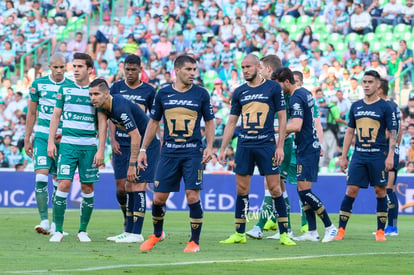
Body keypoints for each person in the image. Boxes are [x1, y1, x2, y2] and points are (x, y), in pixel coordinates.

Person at [137, 55, 215, 253]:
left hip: (192, 153)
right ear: (177, 70)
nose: (192, 73)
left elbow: (209, 122)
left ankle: (194, 241)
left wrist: (209, 146)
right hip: (168, 154)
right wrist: (143, 149)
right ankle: (157, 234)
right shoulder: (163, 94)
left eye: (194, 70)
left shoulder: (201, 94)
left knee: (192, 195)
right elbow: (153, 123)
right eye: (188, 69)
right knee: (158, 199)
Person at [218, 54, 296, 246]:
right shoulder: (239, 92)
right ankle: (239, 233)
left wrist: (280, 145)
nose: (245, 70)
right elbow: (232, 122)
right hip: (245, 144)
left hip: (266, 144)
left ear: (258, 66)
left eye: (248, 67)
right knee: (241, 190)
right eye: (242, 67)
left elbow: (283, 117)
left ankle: (285, 233)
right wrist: (222, 148)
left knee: (275, 189)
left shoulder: (273, 88)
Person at [89, 78, 160, 243]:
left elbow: (136, 135)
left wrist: (132, 165)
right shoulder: (102, 107)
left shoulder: (120, 107)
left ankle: (137, 233)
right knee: (128, 185)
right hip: (138, 144)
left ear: (107, 94)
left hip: (148, 145)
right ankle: (128, 232)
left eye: (96, 94)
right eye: (91, 94)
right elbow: (102, 128)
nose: (93, 98)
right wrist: (100, 151)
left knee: (138, 184)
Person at [47, 53, 107, 242]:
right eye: (74, 66)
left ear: (90, 69)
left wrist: (100, 149)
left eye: (80, 66)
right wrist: (50, 141)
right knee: (63, 183)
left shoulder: (96, 90)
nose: (75, 70)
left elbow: (102, 122)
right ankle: (58, 230)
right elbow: (56, 116)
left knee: (87, 187)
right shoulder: (65, 88)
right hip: (67, 145)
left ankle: (82, 231)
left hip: (89, 146)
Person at [273, 67, 337, 243]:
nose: (279, 89)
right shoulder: (306, 93)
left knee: (305, 191)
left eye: (279, 85)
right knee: (303, 191)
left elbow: (297, 125)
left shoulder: (295, 98)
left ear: (286, 82)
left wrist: (276, 129)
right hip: (307, 146)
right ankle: (312, 231)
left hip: (307, 147)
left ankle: (330, 226)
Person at [335, 71, 398, 242]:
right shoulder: (356, 106)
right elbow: (349, 132)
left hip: (378, 155)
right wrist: (343, 156)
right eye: (364, 82)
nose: (366, 85)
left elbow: (393, 132)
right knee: (351, 190)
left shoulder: (386, 107)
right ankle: (340, 230)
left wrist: (391, 155)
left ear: (378, 84)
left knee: (380, 191)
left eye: (370, 82)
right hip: (359, 155)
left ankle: (380, 231)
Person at [104, 54, 156, 243]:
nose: (130, 73)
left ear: (140, 70)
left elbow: (154, 118)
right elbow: (110, 115)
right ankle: (128, 219)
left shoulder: (149, 91)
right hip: (121, 145)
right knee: (122, 188)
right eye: (127, 69)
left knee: (137, 184)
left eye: (134, 69)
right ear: (123, 69)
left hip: (140, 144)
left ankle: (137, 228)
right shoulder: (116, 88)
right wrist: (112, 139)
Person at [244, 54, 294, 240]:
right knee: (279, 185)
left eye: (262, 68)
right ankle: (286, 228)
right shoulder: (273, 91)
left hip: (280, 143)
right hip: (276, 142)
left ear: (269, 70)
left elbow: (284, 119)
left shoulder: (278, 91)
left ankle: (260, 226)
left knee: (272, 184)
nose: (259, 71)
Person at [24, 53, 73, 235]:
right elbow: (31, 113)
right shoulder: (38, 84)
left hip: (64, 138)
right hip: (43, 136)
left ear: (65, 67)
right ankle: (44, 220)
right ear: (49, 67)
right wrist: (27, 138)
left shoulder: (71, 86)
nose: (59, 71)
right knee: (41, 176)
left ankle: (55, 224)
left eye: (62, 67)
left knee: (60, 181)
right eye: (55, 67)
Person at [377, 79, 402, 236]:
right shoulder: (394, 106)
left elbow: (389, 132)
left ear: (379, 89)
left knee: (388, 189)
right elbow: (399, 131)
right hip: (391, 150)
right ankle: (387, 227)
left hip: (388, 152)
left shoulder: (386, 106)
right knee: (385, 188)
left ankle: (392, 227)